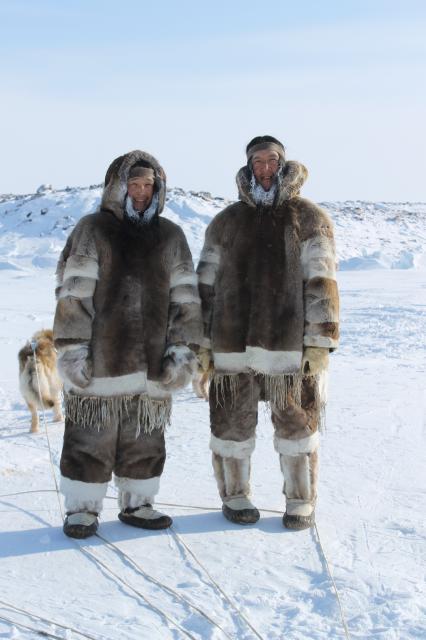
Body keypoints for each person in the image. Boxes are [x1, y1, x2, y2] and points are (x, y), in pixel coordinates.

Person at [54, 150, 202, 538]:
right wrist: (73, 348)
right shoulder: (92, 229)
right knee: (90, 435)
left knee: (145, 437)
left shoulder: (171, 235)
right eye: (132, 184)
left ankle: (139, 502)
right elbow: (73, 293)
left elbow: (185, 299)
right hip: (101, 358)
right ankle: (82, 508)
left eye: (147, 185)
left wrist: (182, 350)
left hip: (153, 360)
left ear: (158, 189)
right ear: (116, 188)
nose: (140, 192)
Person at [197, 136, 339, 530]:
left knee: (297, 423)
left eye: (271, 160)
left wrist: (319, 342)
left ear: (282, 164)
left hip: (287, 344)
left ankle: (300, 499)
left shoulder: (308, 217)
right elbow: (205, 286)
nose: (264, 169)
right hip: (231, 344)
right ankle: (235, 495)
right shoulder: (226, 222)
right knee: (230, 424)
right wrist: (202, 342)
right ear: (248, 167)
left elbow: (322, 282)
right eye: (257, 162)